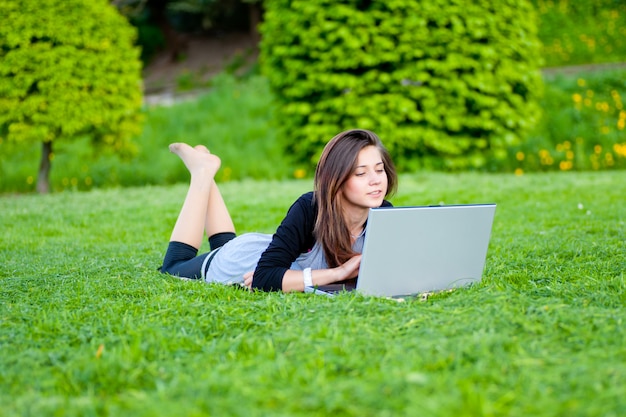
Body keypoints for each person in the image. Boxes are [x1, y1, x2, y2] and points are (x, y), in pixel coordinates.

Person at [159, 129, 397, 292]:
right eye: (361, 173)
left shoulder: (383, 214)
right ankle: (201, 172)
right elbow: (264, 278)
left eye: (379, 169)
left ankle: (206, 166)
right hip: (242, 262)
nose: (376, 180)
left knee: (223, 245)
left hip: (266, 256)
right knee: (173, 267)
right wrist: (338, 273)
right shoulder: (311, 208)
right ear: (336, 180)